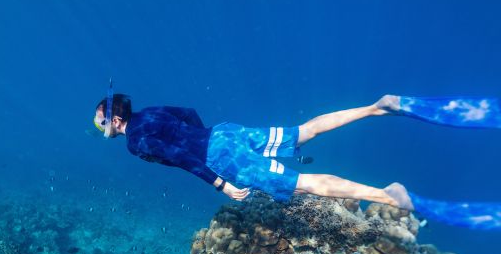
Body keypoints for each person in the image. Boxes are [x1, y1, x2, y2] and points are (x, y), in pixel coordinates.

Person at [93, 93, 414, 209]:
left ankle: (386, 195)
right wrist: (205, 137)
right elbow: (189, 112)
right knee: (305, 130)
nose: (101, 129)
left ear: (116, 120)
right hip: (225, 133)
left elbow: (180, 158)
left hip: (219, 158)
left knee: (303, 183)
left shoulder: (135, 142)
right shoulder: (149, 112)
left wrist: (222, 185)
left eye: (101, 123)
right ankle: (375, 108)